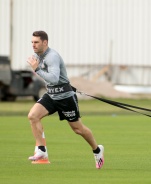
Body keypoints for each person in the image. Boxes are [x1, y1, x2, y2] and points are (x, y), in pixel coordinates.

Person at [26, 30, 104, 169]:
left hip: (65, 97)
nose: (33, 45)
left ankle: (97, 150)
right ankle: (41, 151)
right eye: (32, 42)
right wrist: (36, 68)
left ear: (45, 42)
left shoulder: (52, 57)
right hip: (51, 95)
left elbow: (54, 79)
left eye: (36, 42)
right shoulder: (36, 55)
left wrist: (37, 69)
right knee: (33, 116)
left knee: (78, 129)